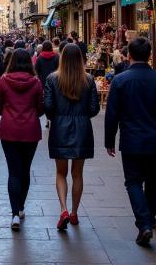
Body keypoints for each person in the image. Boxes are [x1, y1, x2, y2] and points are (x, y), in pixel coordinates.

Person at [104, 37, 156, 247]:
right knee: (152, 177)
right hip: (155, 140)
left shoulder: (120, 81)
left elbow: (112, 114)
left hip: (131, 140)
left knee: (133, 181)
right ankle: (151, 218)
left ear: (129, 56)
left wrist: (109, 140)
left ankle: (144, 223)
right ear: (150, 56)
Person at [44, 44, 100, 231]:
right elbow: (94, 109)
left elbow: (48, 107)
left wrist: (57, 118)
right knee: (78, 173)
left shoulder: (52, 79)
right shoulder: (89, 80)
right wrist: (82, 117)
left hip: (59, 128)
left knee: (61, 172)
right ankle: (75, 212)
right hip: (82, 129)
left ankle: (64, 210)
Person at [0, 49, 44, 231]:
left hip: (9, 131)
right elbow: (40, 108)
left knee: (13, 171)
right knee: (25, 170)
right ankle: (21, 207)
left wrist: (8, 113)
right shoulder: (36, 82)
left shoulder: (4, 80)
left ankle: (14, 212)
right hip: (30, 131)